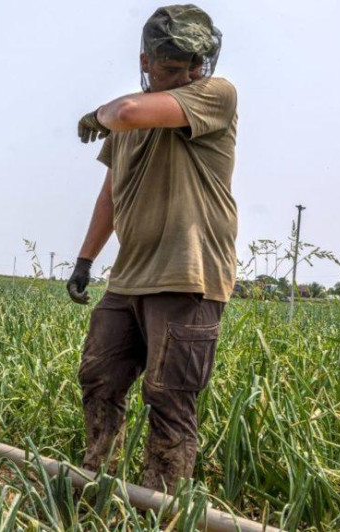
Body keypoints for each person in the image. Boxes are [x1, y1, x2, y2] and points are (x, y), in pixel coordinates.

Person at [67, 4, 237, 493]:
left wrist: (98, 114)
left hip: (187, 276)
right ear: (146, 62)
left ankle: (160, 507)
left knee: (169, 396)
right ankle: (95, 481)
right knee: (99, 375)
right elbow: (110, 193)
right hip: (129, 275)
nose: (186, 75)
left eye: (193, 65)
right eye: (171, 67)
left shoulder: (215, 96)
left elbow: (122, 112)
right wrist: (85, 260)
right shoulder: (128, 127)